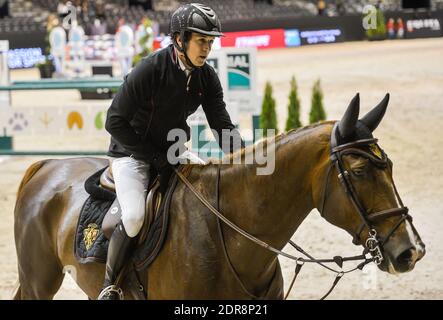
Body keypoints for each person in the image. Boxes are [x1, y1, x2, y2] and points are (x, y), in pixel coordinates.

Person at [98, 3, 244, 300]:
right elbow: (113, 121)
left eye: (210, 42)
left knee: (209, 195)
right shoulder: (150, 69)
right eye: (201, 41)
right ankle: (110, 286)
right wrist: (154, 157)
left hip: (172, 152)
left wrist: (245, 160)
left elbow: (221, 125)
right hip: (131, 153)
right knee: (136, 216)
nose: (207, 48)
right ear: (180, 39)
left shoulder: (206, 76)